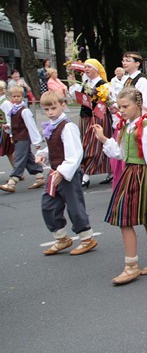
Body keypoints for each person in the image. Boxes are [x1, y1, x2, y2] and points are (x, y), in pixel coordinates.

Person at [93, 87, 147, 285]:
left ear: (138, 105)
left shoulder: (146, 128)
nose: (122, 110)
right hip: (130, 174)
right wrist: (104, 138)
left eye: (126, 106)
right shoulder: (128, 126)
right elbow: (121, 154)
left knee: (125, 219)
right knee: (146, 219)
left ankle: (131, 266)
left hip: (141, 176)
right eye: (120, 107)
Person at [35, 91, 97, 255]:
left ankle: (86, 237)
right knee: (48, 204)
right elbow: (55, 146)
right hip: (55, 172)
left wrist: (62, 172)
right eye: (46, 109)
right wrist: (43, 154)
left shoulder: (68, 127)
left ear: (63, 105)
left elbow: (75, 153)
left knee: (74, 206)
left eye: (53, 108)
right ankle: (61, 237)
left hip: (66, 173)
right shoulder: (52, 125)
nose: (50, 113)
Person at [67, 59, 112, 187]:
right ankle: (110, 170)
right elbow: (76, 98)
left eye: (89, 67)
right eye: (85, 67)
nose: (86, 69)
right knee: (88, 143)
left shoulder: (103, 84)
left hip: (98, 118)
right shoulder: (85, 82)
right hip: (85, 117)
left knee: (91, 145)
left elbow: (108, 102)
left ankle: (86, 174)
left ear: (96, 69)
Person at [0, 86, 46, 192]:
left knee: (19, 158)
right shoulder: (13, 109)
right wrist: (9, 130)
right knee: (28, 158)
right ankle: (39, 177)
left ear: (22, 96)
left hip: (23, 138)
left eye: (18, 96)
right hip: (17, 137)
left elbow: (31, 126)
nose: (16, 98)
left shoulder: (24, 111)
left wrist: (36, 141)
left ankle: (12, 182)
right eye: (14, 96)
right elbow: (12, 123)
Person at [0, 81, 15, 167]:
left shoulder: (5, 103)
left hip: (5, 130)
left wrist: (11, 134)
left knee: (9, 152)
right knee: (9, 152)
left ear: (1, 91)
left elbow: (10, 118)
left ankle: (17, 171)